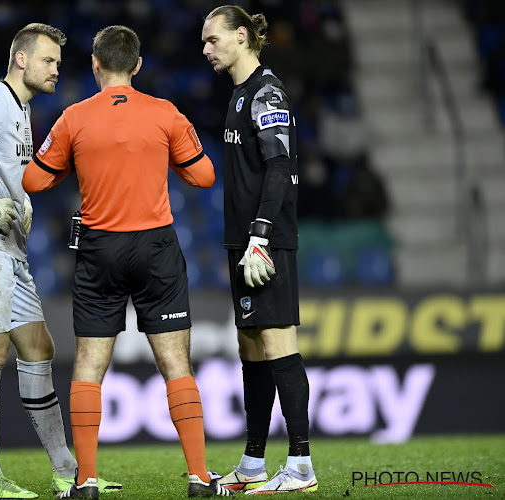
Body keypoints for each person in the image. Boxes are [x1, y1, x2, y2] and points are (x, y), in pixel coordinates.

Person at [23, 25, 230, 499]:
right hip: (155, 247)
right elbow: (203, 175)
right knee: (175, 362)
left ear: (95, 64)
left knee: (90, 365)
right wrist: (164, 157)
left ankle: (86, 481)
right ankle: (199, 477)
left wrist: (74, 162)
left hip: (100, 250)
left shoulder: (73, 118)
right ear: (137, 66)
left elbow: (34, 181)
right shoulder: (164, 113)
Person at [0, 23, 120, 500]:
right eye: (49, 61)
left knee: (38, 348)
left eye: (57, 62)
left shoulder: (20, 110)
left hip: (7, 249)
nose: (56, 69)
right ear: (22, 59)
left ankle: (67, 471)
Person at [201, 6, 318, 494]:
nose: (205, 49)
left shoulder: (266, 93)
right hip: (243, 240)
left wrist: (261, 235)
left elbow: (279, 167)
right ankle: (253, 462)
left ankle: (301, 465)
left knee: (278, 344)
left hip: (263, 242)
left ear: (242, 36)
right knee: (251, 347)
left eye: (212, 39)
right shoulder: (238, 95)